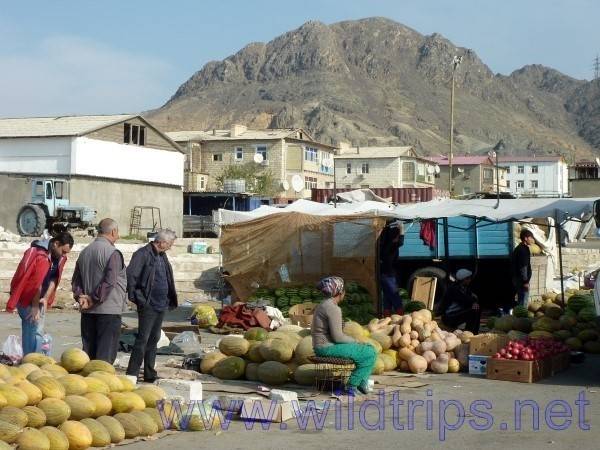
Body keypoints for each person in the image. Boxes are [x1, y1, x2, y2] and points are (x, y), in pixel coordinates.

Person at [7, 232, 74, 355]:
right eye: (63, 251)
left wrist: (46, 298)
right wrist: (34, 306)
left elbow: (54, 278)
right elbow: (36, 283)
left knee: (37, 330)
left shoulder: (58, 258)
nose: (63, 255)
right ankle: (29, 361)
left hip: (39, 299)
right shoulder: (40, 255)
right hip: (28, 299)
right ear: (56, 243)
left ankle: (34, 359)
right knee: (31, 330)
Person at [125, 229, 178, 382]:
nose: (170, 247)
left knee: (153, 339)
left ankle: (149, 373)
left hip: (161, 304)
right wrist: (139, 299)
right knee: (143, 339)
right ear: (162, 242)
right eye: (170, 244)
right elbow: (131, 276)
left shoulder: (162, 255)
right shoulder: (142, 254)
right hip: (148, 304)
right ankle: (132, 373)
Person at [72, 218, 127, 363]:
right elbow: (109, 282)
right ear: (113, 231)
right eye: (118, 232)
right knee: (105, 356)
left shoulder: (85, 251)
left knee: (88, 353)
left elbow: (76, 279)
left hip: (88, 311)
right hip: (108, 310)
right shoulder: (112, 252)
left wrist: (80, 297)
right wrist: (93, 298)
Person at [311, 276, 377, 395]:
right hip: (326, 348)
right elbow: (338, 337)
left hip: (323, 346)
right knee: (369, 353)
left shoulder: (323, 305)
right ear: (340, 292)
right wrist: (356, 341)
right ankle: (352, 385)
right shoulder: (333, 308)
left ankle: (362, 382)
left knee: (369, 349)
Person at [441, 269, 481, 334]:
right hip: (449, 317)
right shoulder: (454, 289)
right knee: (474, 311)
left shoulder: (464, 288)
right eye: (467, 278)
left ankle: (473, 332)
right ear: (463, 280)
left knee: (476, 309)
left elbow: (473, 297)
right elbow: (465, 300)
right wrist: (473, 302)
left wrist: (474, 301)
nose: (469, 280)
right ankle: (469, 333)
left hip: (456, 314)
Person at [379, 226, 404, 317]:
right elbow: (401, 242)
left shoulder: (384, 245)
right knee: (395, 296)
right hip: (388, 276)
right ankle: (401, 316)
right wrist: (402, 229)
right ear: (394, 237)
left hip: (384, 275)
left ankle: (386, 318)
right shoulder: (391, 246)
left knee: (387, 298)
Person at [512, 229, 535, 308]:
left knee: (521, 300)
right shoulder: (522, 250)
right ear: (525, 238)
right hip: (521, 280)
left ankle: (519, 316)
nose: (532, 240)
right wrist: (525, 281)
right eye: (531, 238)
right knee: (523, 302)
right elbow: (523, 267)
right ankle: (522, 318)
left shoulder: (520, 248)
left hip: (518, 279)